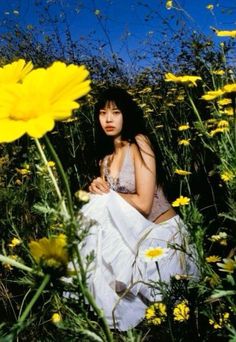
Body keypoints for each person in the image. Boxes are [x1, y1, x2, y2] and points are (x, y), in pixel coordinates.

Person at [79, 87, 197, 331]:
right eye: (102, 113)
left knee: (169, 311)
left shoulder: (140, 143)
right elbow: (114, 207)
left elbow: (144, 204)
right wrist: (97, 186)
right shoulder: (105, 159)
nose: (108, 120)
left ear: (126, 115)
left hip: (162, 235)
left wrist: (109, 194)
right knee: (96, 205)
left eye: (115, 112)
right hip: (134, 235)